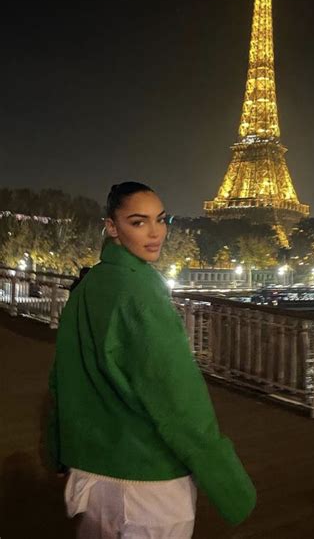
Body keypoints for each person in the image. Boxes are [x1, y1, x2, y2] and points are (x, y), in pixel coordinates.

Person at [46, 181, 256, 538]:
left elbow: (61, 378)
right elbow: (178, 399)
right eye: (138, 222)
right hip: (148, 485)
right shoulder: (141, 294)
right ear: (112, 227)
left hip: (93, 474)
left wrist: (57, 449)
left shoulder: (90, 284)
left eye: (161, 219)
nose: (156, 232)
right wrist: (228, 482)